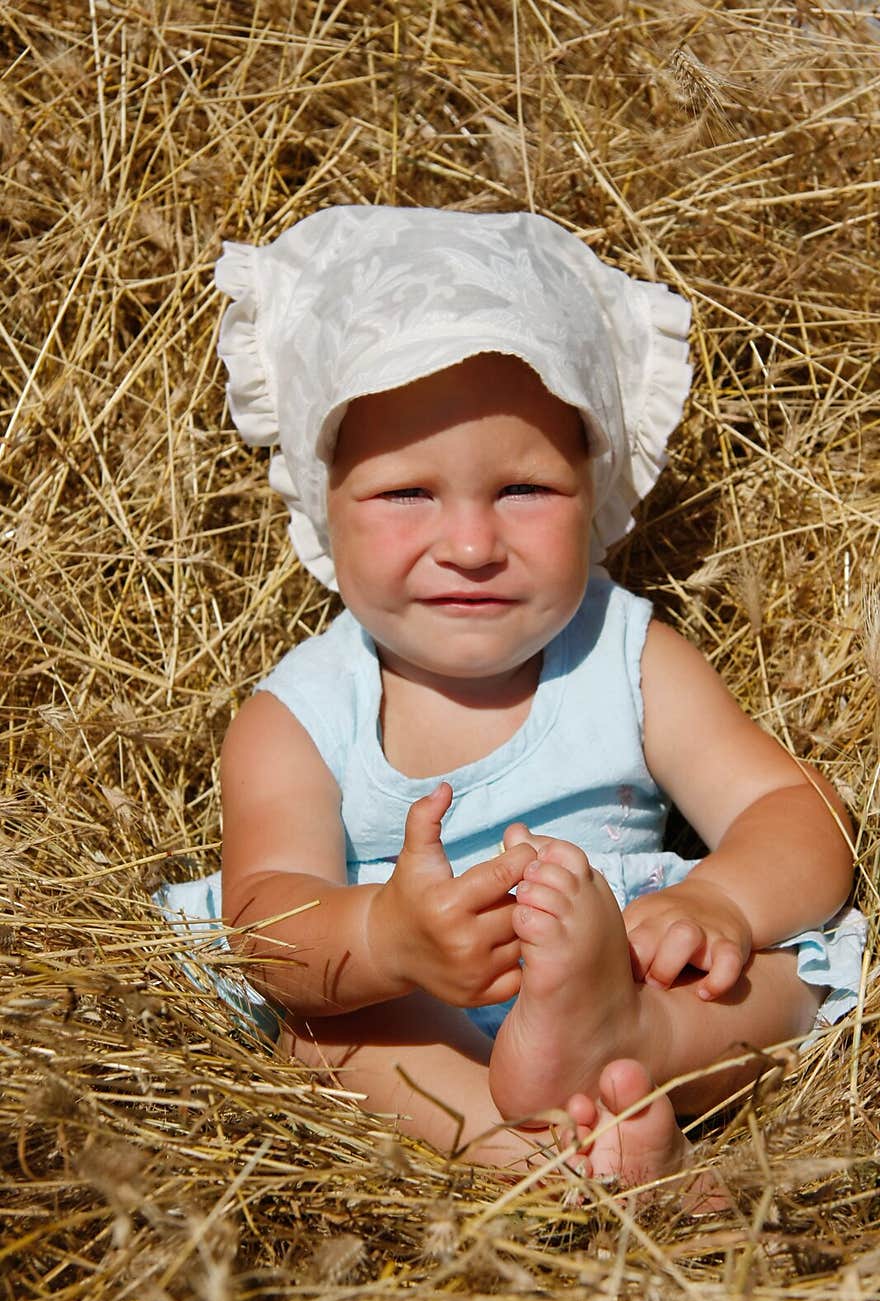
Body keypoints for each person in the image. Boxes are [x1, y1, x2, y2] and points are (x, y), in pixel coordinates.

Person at [158, 206, 867, 1197]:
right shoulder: (296, 718)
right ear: (325, 505)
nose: (472, 544)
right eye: (408, 494)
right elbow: (270, 925)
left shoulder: (627, 655)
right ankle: (544, 1161)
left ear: (597, 488)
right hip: (412, 996)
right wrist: (384, 938)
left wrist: (716, 898)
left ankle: (635, 1043)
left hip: (616, 974)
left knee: (785, 971)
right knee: (323, 1028)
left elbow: (792, 812)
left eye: (524, 490)